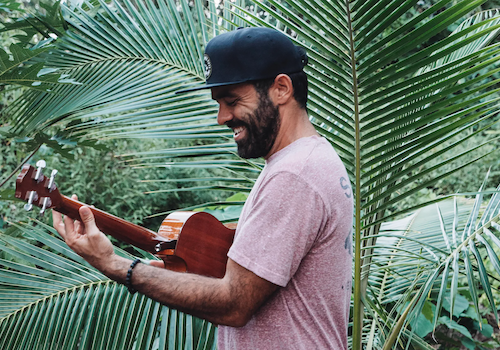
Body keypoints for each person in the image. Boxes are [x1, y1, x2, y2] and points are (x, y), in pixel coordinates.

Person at [52, 27, 353, 349]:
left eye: (233, 100)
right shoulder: (309, 159)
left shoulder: (294, 175)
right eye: (219, 103)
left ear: (281, 88)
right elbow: (251, 281)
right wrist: (174, 275)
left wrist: (115, 265)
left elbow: (234, 304)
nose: (222, 117)